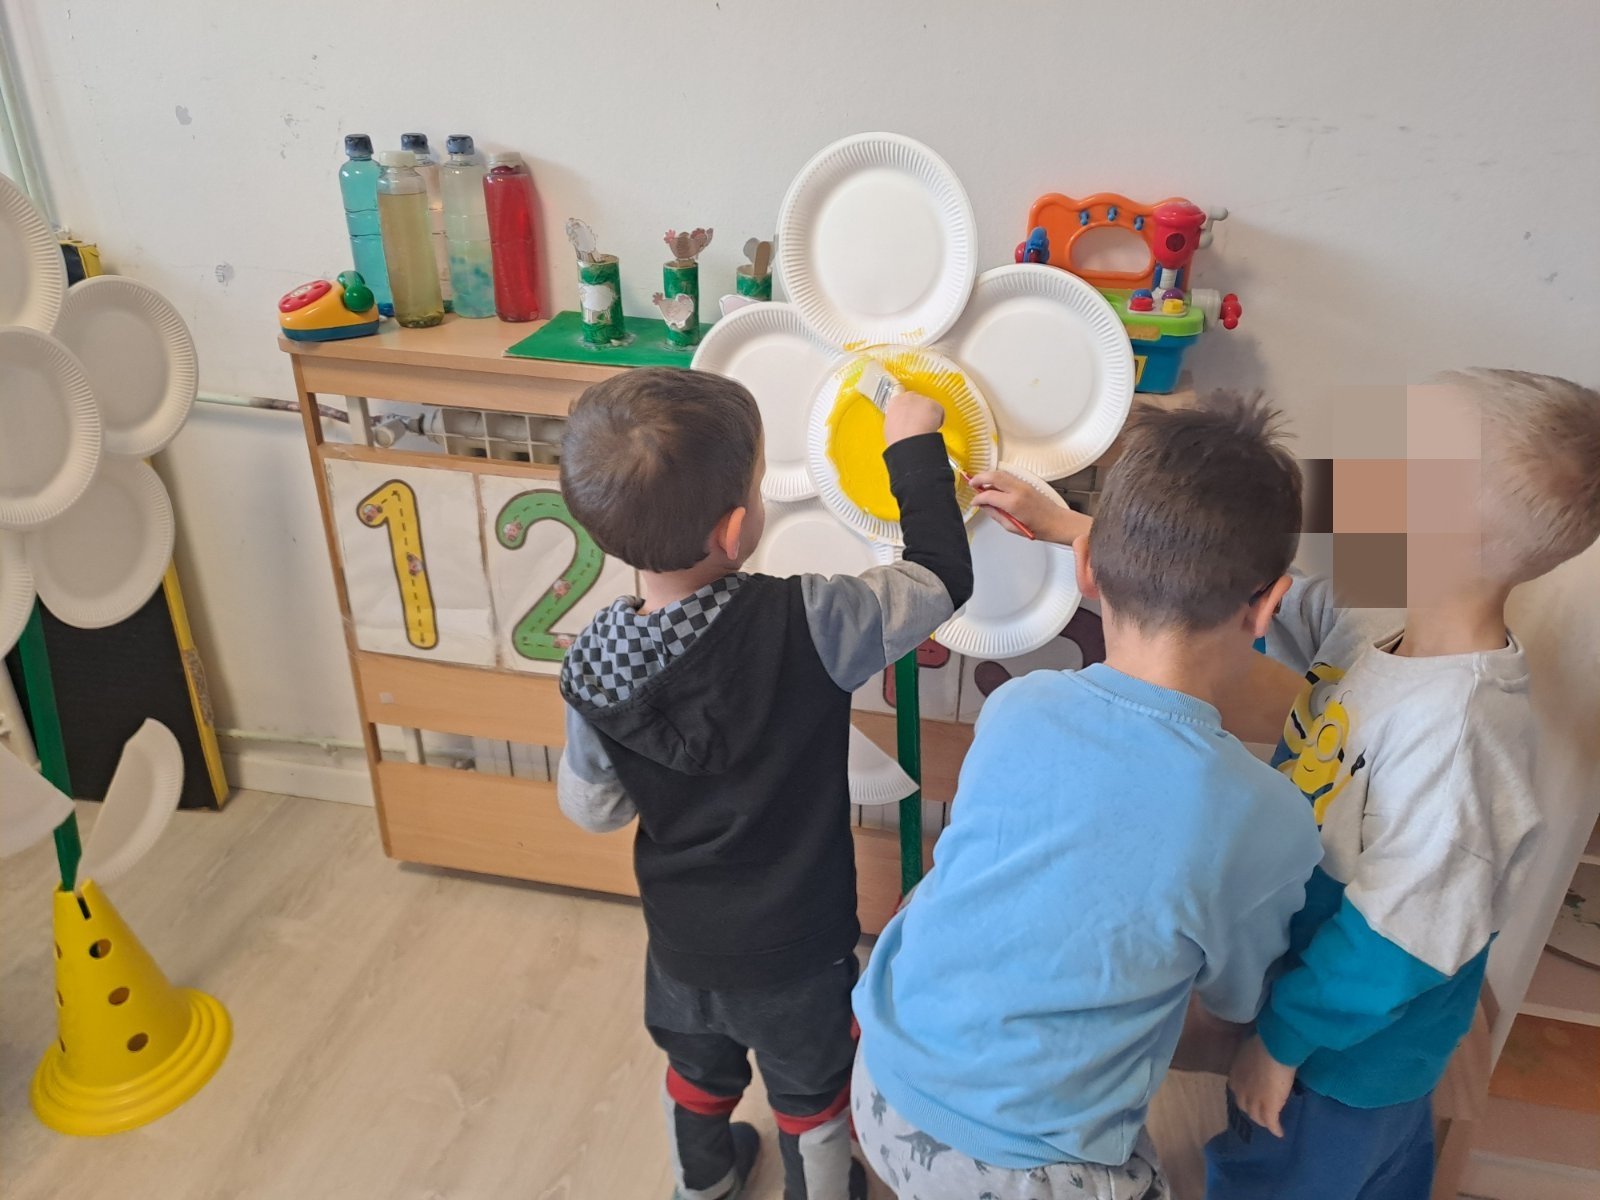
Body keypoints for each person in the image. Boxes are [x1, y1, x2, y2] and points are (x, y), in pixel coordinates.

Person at [851, 392, 1324, 1200]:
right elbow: (1234, 1005)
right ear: (1269, 606)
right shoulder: (1266, 818)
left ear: (1086, 568)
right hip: (1031, 1168)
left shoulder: (1017, 706)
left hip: (880, 1081)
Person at [554, 367, 973, 1200]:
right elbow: (939, 580)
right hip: (797, 948)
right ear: (738, 526)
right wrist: (912, 447)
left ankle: (702, 1183)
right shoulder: (810, 620)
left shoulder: (593, 666)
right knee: (811, 1090)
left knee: (696, 1068)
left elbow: (592, 807)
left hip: (681, 945)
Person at [1200, 370, 1600, 1199]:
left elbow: (1397, 942)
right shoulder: (1388, 622)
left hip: (1344, 1054)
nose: (1359, 464)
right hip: (1317, 992)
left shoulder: (1460, 741)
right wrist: (1091, 534)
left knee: (1285, 1177)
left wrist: (1281, 1043)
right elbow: (1299, 605)